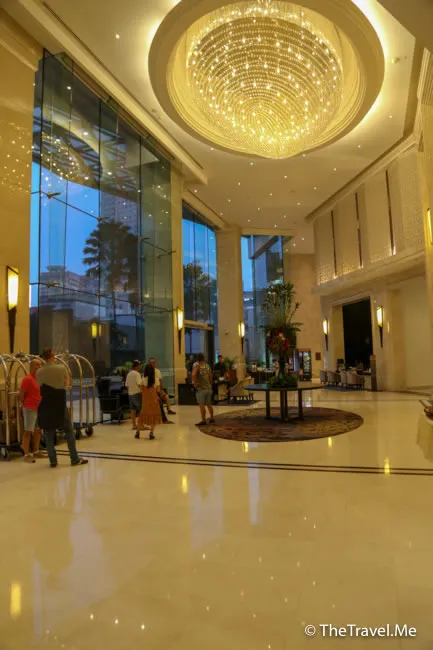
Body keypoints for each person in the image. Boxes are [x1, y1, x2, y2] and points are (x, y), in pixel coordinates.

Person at [36, 348, 88, 468]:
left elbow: (40, 386)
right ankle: (74, 458)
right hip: (59, 403)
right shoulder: (61, 368)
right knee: (68, 430)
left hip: (46, 404)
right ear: (53, 355)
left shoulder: (39, 372)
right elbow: (67, 384)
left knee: (48, 432)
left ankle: (53, 461)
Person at [19, 358, 43, 463]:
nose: (40, 366)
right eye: (37, 364)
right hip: (30, 408)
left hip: (39, 408)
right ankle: (26, 454)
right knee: (28, 431)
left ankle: (36, 451)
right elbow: (21, 394)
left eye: (40, 364)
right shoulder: (27, 379)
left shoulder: (39, 379)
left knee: (38, 430)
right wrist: (22, 406)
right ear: (32, 367)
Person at [137, 363, 162, 440]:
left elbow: (140, 388)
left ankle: (137, 432)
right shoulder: (155, 380)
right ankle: (151, 433)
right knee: (153, 415)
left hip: (145, 400)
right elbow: (158, 390)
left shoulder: (143, 379)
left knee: (142, 414)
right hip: (154, 400)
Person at [149, 357, 176, 423]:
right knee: (159, 402)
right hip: (152, 392)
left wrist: (161, 390)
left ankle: (169, 410)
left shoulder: (157, 371)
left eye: (154, 363)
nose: (153, 364)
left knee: (166, 397)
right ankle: (163, 419)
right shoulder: (148, 373)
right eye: (152, 363)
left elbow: (160, 381)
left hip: (158, 389)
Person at [125, 360, 149, 432]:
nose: (140, 366)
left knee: (133, 410)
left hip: (130, 394)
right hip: (137, 394)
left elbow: (127, 385)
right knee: (141, 409)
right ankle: (141, 425)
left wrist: (130, 391)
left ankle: (134, 425)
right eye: (139, 365)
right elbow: (139, 384)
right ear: (137, 366)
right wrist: (143, 392)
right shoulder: (137, 374)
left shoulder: (129, 374)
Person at [192, 352, 214, 425]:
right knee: (209, 404)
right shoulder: (207, 366)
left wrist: (194, 383)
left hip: (201, 389)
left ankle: (203, 420)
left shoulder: (197, 366)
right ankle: (212, 418)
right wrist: (210, 384)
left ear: (197, 359)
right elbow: (210, 376)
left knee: (201, 405)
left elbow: (193, 374)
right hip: (208, 388)